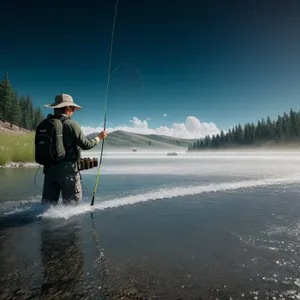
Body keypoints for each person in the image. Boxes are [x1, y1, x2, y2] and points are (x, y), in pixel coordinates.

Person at [38, 93, 107, 205]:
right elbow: (86, 144)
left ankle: (42, 223)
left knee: (47, 206)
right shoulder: (71, 124)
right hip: (68, 172)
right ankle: (72, 224)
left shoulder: (45, 124)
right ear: (68, 108)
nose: (73, 112)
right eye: (73, 109)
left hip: (49, 171)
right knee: (72, 208)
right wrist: (99, 137)